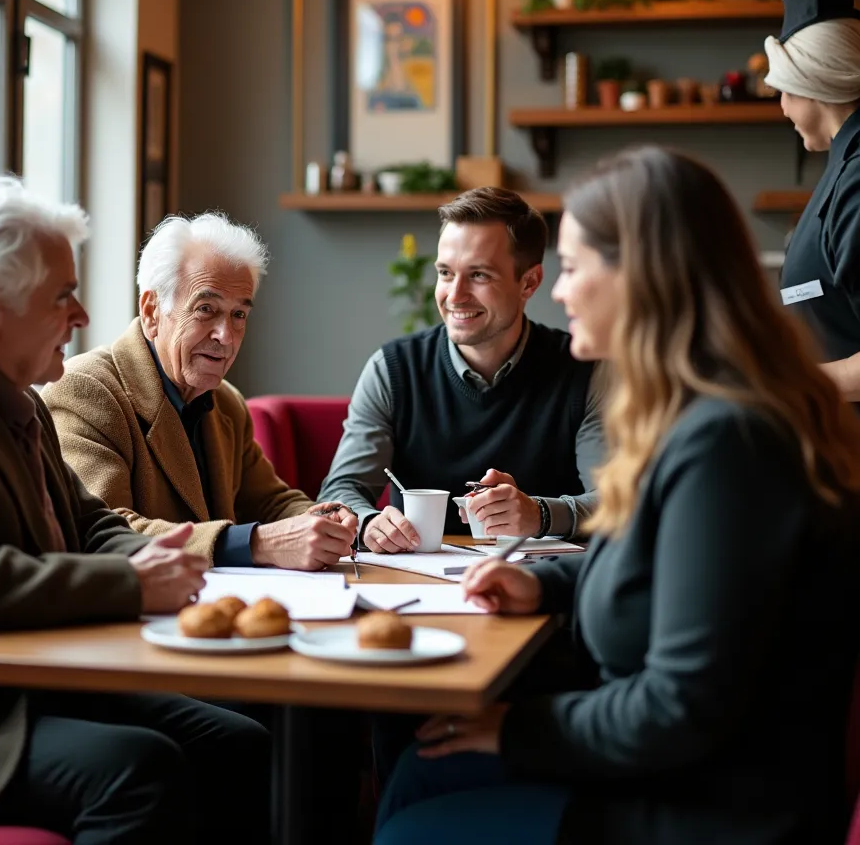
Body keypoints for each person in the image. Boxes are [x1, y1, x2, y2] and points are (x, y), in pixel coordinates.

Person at [374, 147, 860, 845]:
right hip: (681, 773)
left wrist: (515, 727)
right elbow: (676, 563)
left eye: (572, 269)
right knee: (423, 770)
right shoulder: (705, 412)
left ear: (641, 277)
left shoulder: (731, 441)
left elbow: (680, 706)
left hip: (711, 812)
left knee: (411, 817)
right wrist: (546, 583)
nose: (561, 293)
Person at [0, 177, 270, 844]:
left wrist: (150, 560)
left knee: (237, 740)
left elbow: (88, 521)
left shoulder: (17, 393)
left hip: (30, 683)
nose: (83, 316)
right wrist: (131, 584)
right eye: (62, 296)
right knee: (139, 772)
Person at [43, 211, 357, 569]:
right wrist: (252, 544)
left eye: (239, 315)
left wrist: (325, 520)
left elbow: (270, 502)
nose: (226, 336)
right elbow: (104, 532)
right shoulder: (84, 391)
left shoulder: (227, 402)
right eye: (206, 309)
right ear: (151, 311)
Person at [320, 186, 603, 552]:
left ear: (529, 282)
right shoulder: (392, 370)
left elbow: (618, 500)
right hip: (416, 586)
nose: (455, 295)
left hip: (548, 586)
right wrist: (370, 521)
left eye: (479, 275)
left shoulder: (584, 370)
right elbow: (340, 489)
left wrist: (540, 515)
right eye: (445, 273)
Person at [764, 0, 860, 399]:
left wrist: (788, 386)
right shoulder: (844, 166)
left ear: (814, 82)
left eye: (785, 90)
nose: (782, 107)